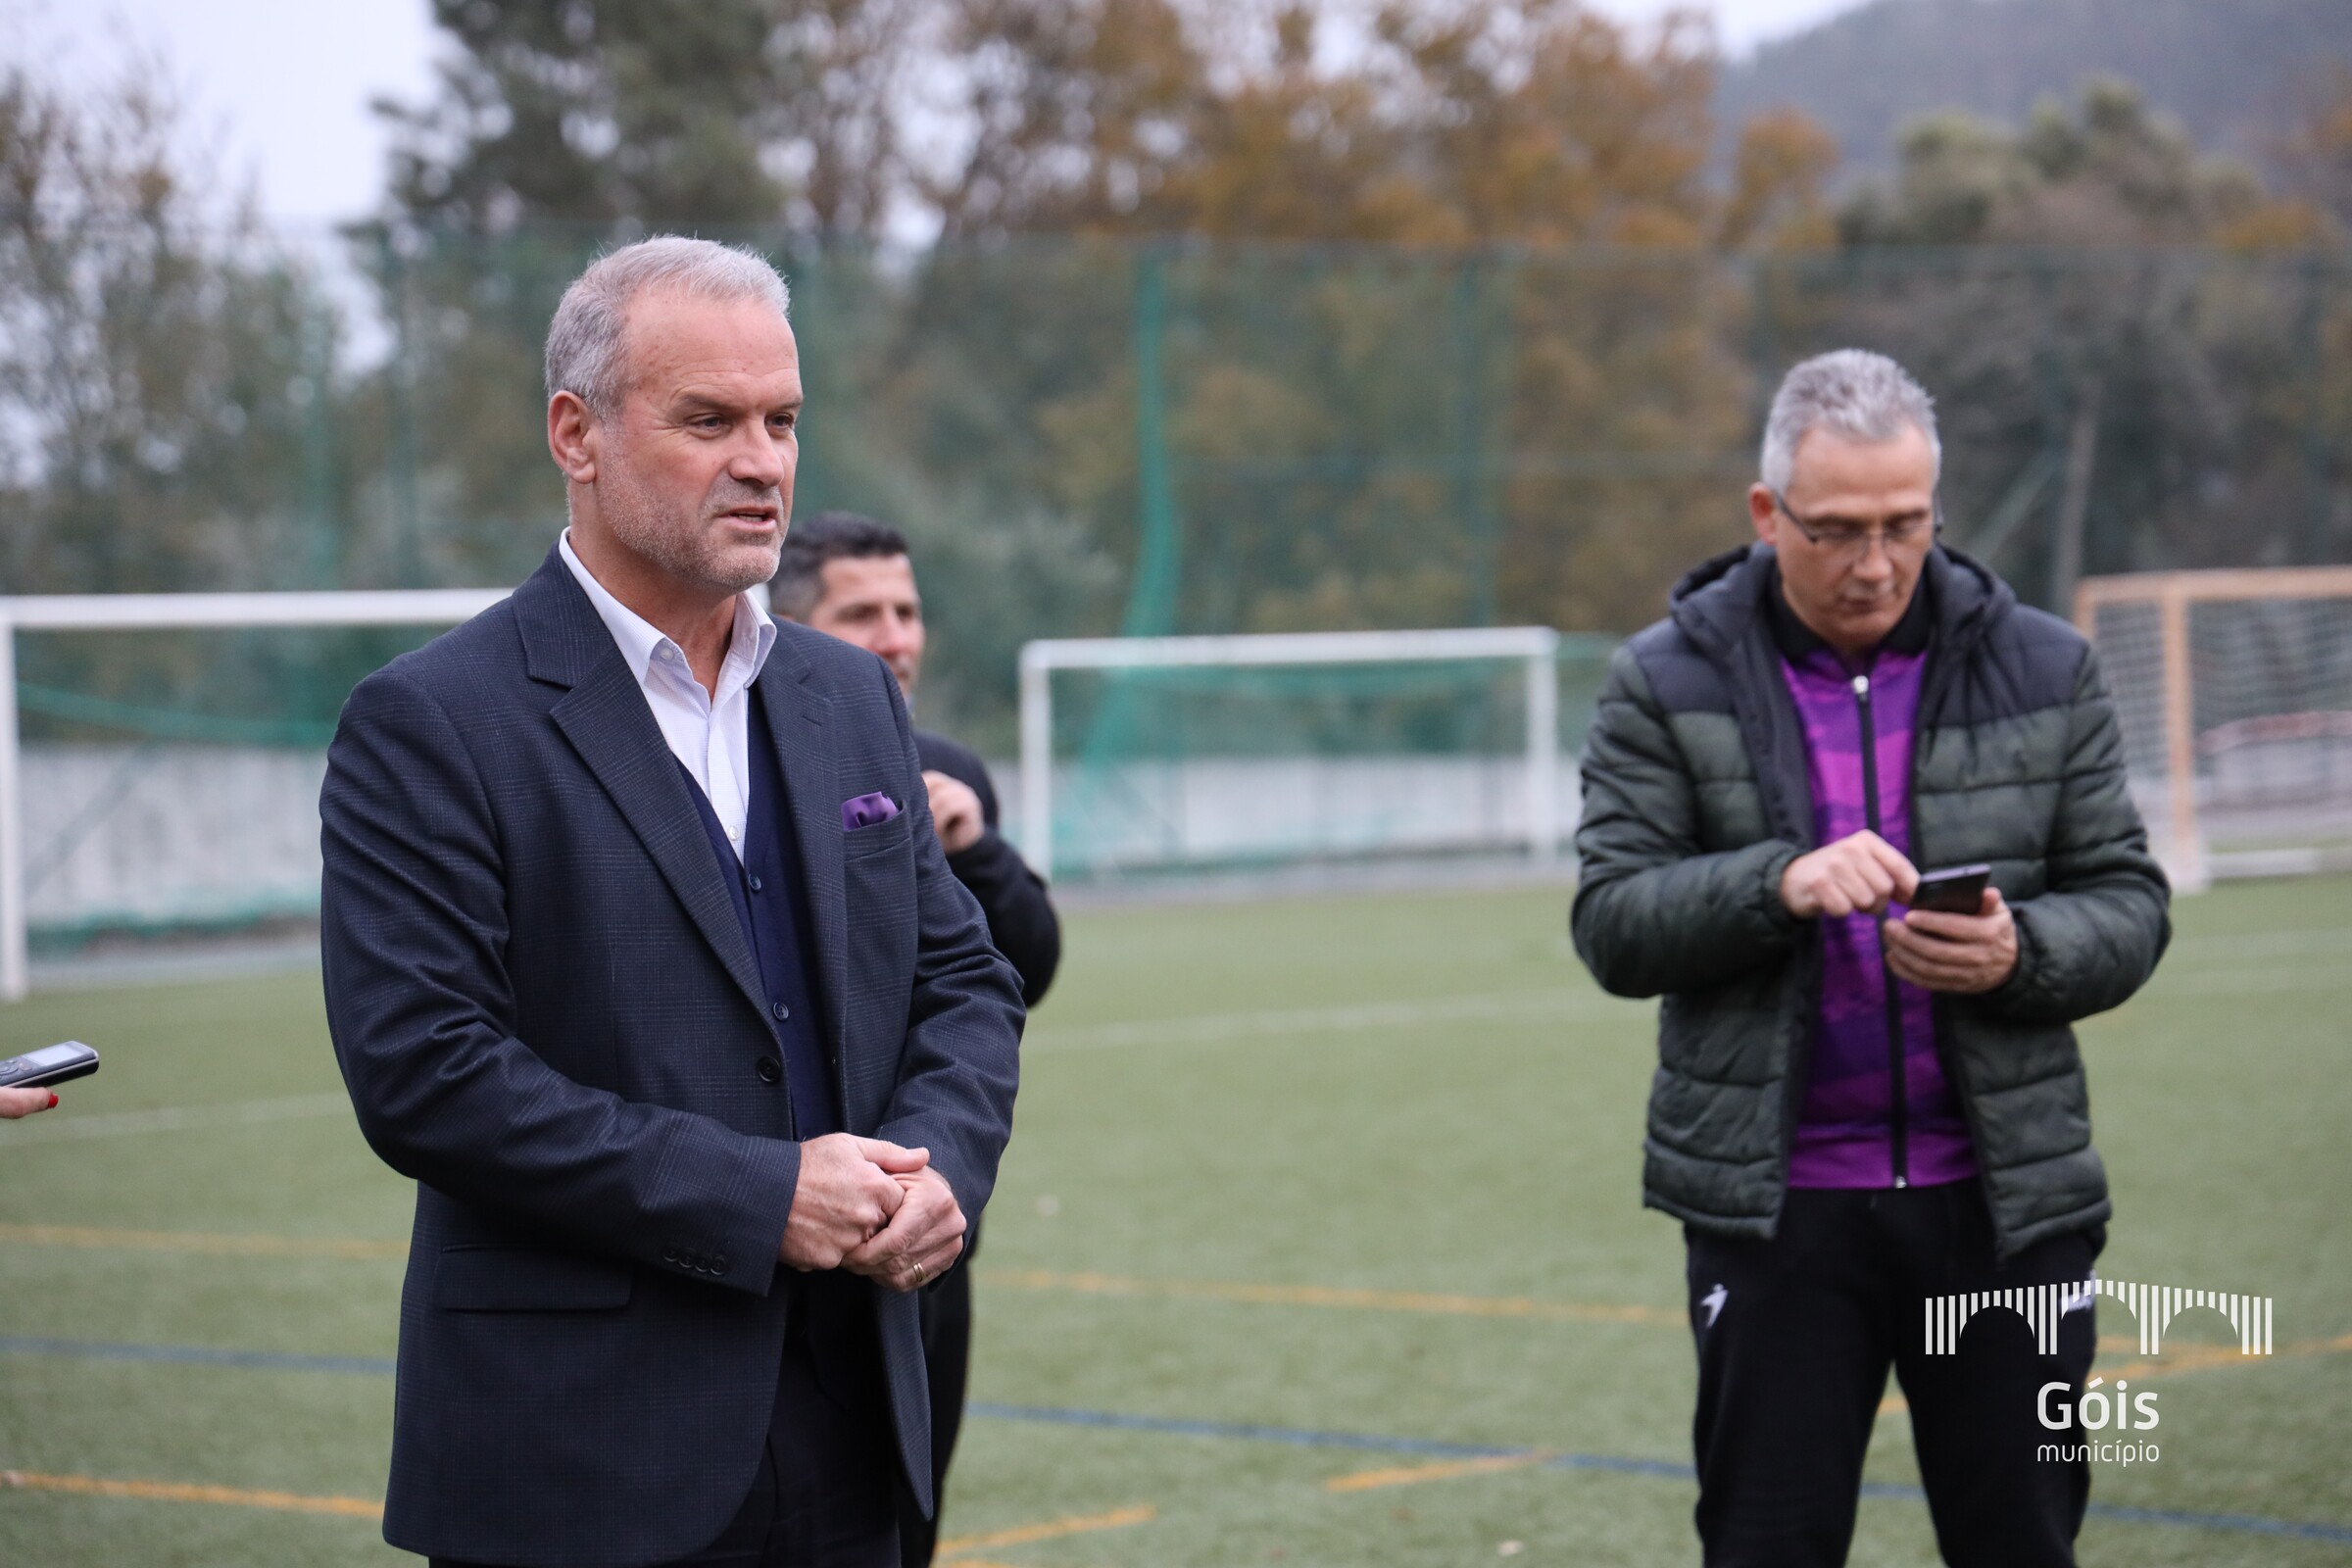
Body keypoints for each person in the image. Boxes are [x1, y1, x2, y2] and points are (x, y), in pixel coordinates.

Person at [318, 236, 1023, 1568]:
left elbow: (963, 982)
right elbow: (426, 1075)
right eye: (708, 420)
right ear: (575, 435)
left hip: (858, 1432)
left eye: (782, 420)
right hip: (579, 1456)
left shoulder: (849, 695)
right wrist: (760, 1195)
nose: (761, 460)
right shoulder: (430, 722)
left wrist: (946, 1172)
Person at [1571, 349, 2169, 1568]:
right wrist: (1774, 881)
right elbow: (1613, 923)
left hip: (2009, 1214)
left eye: (1905, 524)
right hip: (1779, 1219)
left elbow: (2130, 901)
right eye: (1838, 529)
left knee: (2023, 1546)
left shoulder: (2049, 666)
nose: (1877, 563)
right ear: (1765, 513)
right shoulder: (1661, 679)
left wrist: (2020, 951)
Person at [771, 511, 1058, 1568]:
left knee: (903, 1521)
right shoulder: (742, 762)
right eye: (864, 612)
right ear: (792, 625)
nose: (896, 636)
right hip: (774, 1216)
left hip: (926, 1231)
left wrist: (977, 849)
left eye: (908, 610)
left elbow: (1018, 967)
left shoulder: (946, 768)